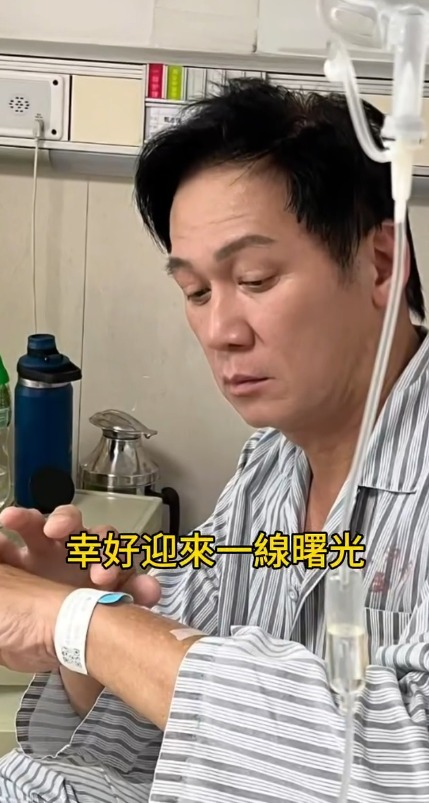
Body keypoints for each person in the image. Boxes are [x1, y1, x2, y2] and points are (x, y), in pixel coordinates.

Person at [0, 77, 428, 803]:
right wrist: (81, 621)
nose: (220, 331)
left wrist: (82, 625)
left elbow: (402, 765)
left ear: (379, 264)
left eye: (254, 279)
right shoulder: (268, 469)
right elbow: (166, 724)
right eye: (196, 293)